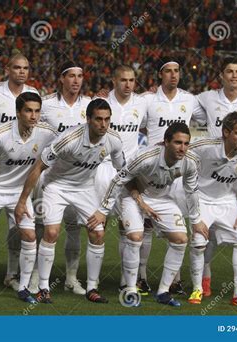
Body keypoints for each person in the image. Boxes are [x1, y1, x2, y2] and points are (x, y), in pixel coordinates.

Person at [15, 99, 125, 304]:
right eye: (98, 119)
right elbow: (38, 167)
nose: (103, 124)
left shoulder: (113, 140)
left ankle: (92, 288)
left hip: (85, 188)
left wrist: (104, 208)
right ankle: (44, 287)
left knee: (98, 233)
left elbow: (121, 174)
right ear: (88, 119)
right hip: (56, 186)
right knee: (51, 232)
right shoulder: (68, 139)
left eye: (107, 119)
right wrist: (22, 201)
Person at [89, 123, 204, 307]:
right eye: (177, 143)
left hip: (162, 198)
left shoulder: (191, 161)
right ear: (166, 142)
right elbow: (119, 179)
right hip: (133, 196)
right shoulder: (146, 157)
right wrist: (103, 210)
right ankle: (130, 289)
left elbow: (191, 191)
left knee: (181, 239)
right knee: (135, 237)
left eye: (186, 143)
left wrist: (197, 220)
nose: (182, 148)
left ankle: (163, 292)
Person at [0, 92, 57, 302]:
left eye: (37, 111)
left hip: (19, 192)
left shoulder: (47, 133)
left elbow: (65, 142)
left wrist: (23, 200)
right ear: (17, 112)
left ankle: (23, 288)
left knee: (30, 236)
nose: (34, 116)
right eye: (28, 111)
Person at [195, 57, 237, 296]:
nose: (234, 76)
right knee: (206, 233)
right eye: (229, 71)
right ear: (221, 75)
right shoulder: (206, 98)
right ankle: (204, 278)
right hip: (211, 169)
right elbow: (178, 110)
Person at [139, 58, 204, 295]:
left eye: (177, 70)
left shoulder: (190, 99)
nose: (173, 75)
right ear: (160, 74)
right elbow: (133, 120)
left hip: (178, 173)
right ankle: (141, 277)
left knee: (175, 226)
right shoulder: (146, 99)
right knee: (145, 226)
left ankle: (175, 281)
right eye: (168, 71)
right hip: (151, 170)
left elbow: (210, 116)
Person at [186, 111, 237, 308]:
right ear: (225, 132)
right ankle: (197, 289)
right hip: (202, 198)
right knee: (199, 242)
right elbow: (182, 152)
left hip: (226, 200)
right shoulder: (205, 147)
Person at [0, 54, 39, 292]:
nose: (21, 71)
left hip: (20, 174)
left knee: (19, 229)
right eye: (16, 67)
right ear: (8, 69)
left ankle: (12, 275)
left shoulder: (33, 93)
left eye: (25, 68)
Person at [33, 61, 92, 295]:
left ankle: (71, 278)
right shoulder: (45, 104)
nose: (76, 80)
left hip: (79, 176)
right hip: (50, 175)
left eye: (80, 76)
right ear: (62, 78)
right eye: (71, 76)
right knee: (42, 226)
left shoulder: (89, 105)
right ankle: (37, 276)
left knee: (74, 228)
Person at [94, 65, 149, 294]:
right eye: (123, 80)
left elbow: (150, 128)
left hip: (129, 173)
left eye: (132, 80)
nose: (128, 84)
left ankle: (128, 283)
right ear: (114, 81)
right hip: (102, 170)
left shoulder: (143, 103)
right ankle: (92, 282)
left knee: (132, 231)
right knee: (98, 227)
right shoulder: (102, 103)